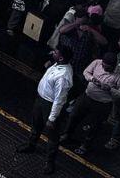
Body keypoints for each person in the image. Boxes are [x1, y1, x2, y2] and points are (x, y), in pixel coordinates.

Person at [17, 46, 75, 175]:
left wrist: (52, 118)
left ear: (61, 57)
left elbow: (59, 100)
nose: (52, 52)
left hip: (49, 105)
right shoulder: (57, 63)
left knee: (52, 136)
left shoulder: (63, 77)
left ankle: (50, 162)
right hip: (41, 100)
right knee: (36, 125)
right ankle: (31, 145)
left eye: (55, 52)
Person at [63, 53, 120, 156]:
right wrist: (92, 79)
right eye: (104, 66)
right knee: (74, 116)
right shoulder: (97, 63)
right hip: (87, 97)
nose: (104, 68)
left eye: (107, 68)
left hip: (102, 104)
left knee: (94, 126)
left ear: (114, 66)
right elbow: (86, 72)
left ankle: (85, 145)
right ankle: (66, 134)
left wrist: (110, 89)